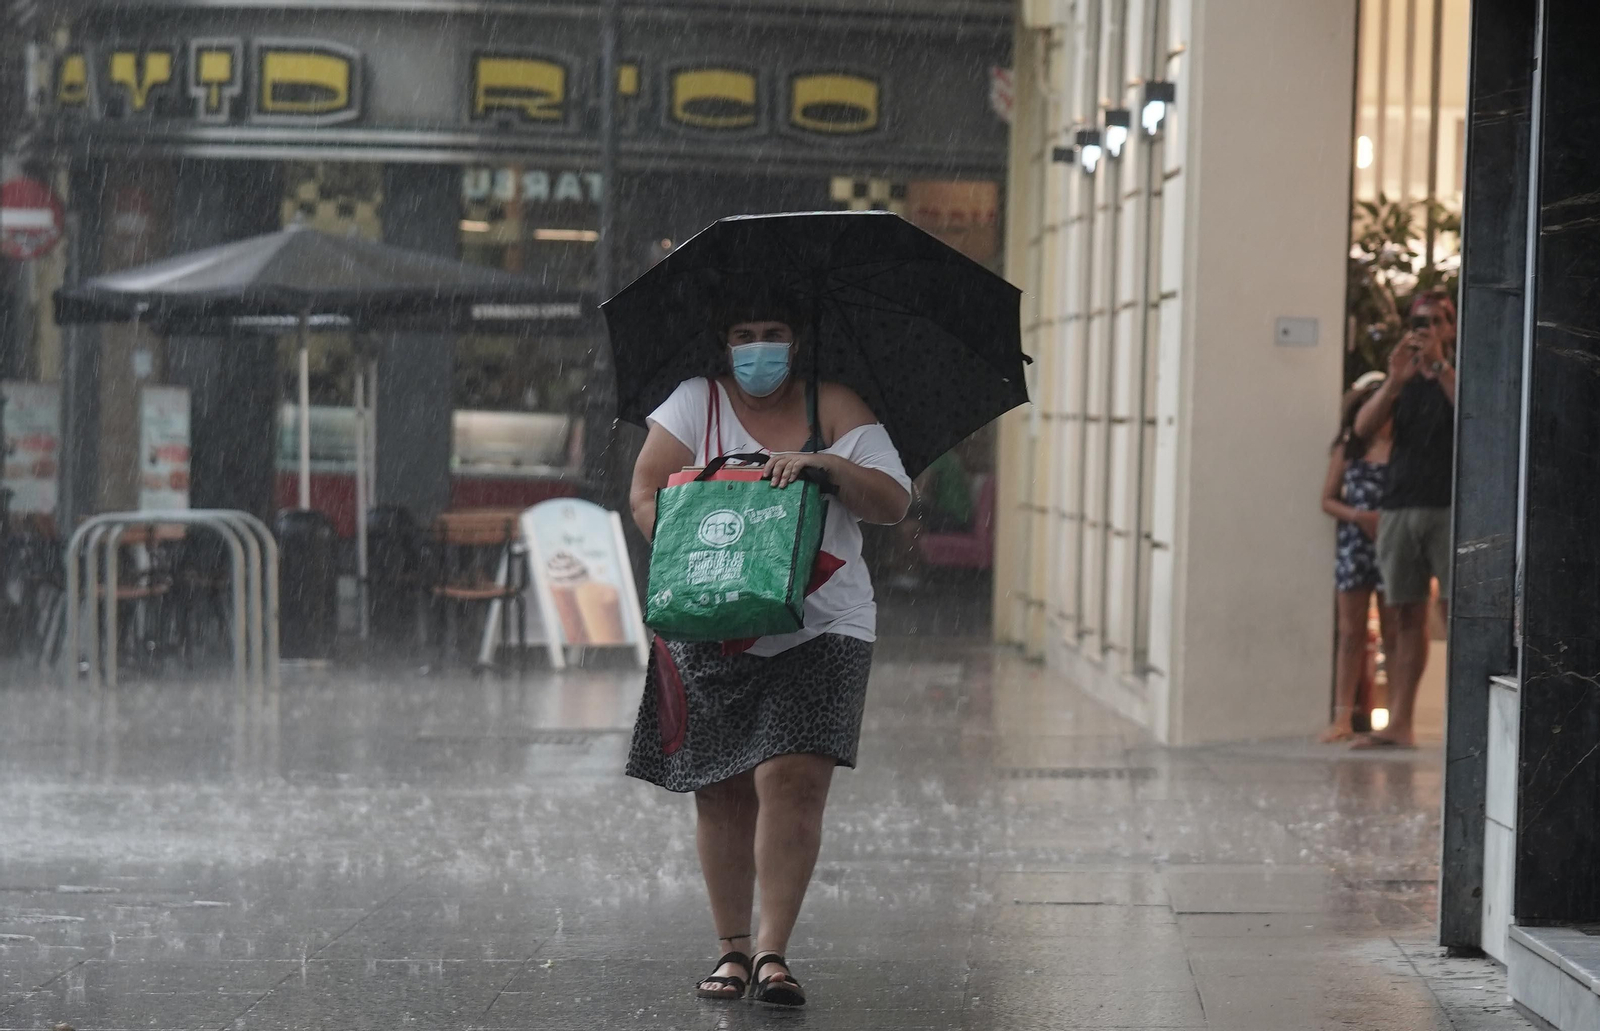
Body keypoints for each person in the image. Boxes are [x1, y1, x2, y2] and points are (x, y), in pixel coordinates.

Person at [625, 293, 912, 1008]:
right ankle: (732, 949)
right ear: (724, 342)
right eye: (745, 333)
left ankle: (774, 950)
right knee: (720, 788)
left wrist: (824, 465)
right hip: (710, 615)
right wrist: (703, 526)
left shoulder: (838, 405)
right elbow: (642, 493)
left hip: (825, 619)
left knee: (793, 779)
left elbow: (893, 499)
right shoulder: (695, 403)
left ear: (798, 339)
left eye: (774, 333)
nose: (760, 348)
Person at [1352, 291, 1457, 748]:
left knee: (1457, 615)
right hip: (1399, 506)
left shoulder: (1458, 371)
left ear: (1451, 328)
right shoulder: (1404, 378)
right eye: (1420, 321)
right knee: (1404, 616)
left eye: (1437, 320)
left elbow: (1478, 416)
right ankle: (1400, 724)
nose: (1427, 328)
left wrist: (1438, 367)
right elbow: (1362, 429)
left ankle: (1463, 722)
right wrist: (1394, 381)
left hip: (1450, 507)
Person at [1320, 373, 1397, 743]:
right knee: (1351, 632)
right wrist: (1360, 517)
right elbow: (1327, 499)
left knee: (1394, 631)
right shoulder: (1349, 449)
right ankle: (1341, 717)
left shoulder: (1403, 449)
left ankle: (1397, 716)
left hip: (1393, 545)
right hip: (1355, 545)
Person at [888, 448, 974, 590]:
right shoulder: (947, 455)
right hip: (954, 515)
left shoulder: (938, 458)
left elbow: (922, 495)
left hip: (954, 518)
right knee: (902, 519)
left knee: (904, 524)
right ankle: (902, 571)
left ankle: (909, 574)